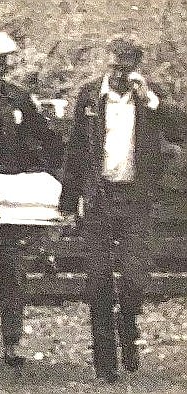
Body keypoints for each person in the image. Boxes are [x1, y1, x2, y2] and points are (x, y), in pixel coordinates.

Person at [60, 37, 186, 383]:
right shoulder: (89, 95)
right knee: (98, 278)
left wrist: (150, 100)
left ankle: (127, 329)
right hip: (99, 198)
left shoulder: (149, 96)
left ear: (135, 68)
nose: (117, 75)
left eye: (124, 69)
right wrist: (69, 203)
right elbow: (75, 152)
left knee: (134, 277)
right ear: (106, 63)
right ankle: (105, 362)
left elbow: (181, 131)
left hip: (136, 200)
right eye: (113, 67)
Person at [0, 28, 64, 367]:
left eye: (1, 64)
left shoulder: (19, 96)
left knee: (12, 270)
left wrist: (50, 171)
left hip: (13, 193)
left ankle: (11, 341)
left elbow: (44, 135)